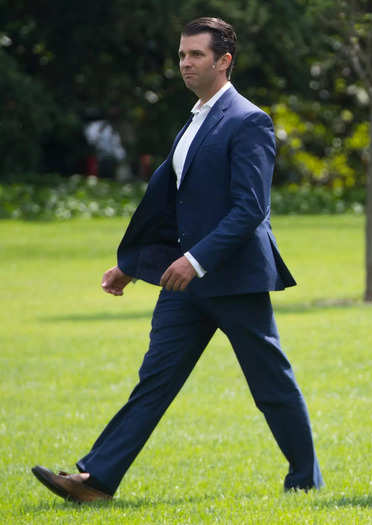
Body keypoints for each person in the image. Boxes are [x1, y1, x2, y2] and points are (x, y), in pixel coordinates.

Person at [32, 17, 323, 502]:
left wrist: (197, 260)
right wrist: (133, 264)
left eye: (196, 56)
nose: (185, 63)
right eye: (182, 55)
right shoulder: (193, 119)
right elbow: (173, 201)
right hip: (183, 283)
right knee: (155, 381)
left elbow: (250, 208)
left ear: (224, 61)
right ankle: (97, 481)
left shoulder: (249, 120)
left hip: (232, 279)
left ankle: (305, 482)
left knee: (270, 383)